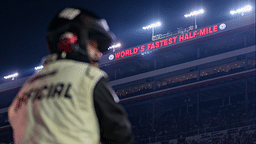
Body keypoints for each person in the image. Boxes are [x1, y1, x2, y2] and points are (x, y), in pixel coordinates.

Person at [8, 7, 134, 144]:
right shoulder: (88, 77)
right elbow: (120, 134)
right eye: (93, 44)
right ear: (72, 40)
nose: (98, 54)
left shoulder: (24, 90)